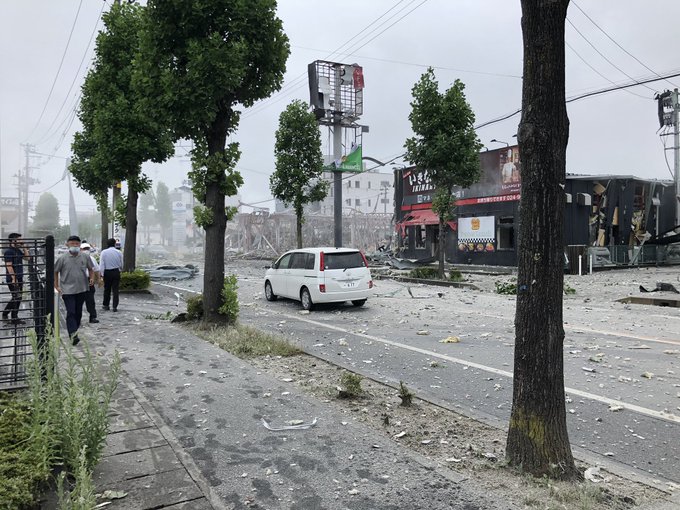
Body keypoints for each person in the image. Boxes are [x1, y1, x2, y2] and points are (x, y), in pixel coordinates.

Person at [54, 235, 94, 345]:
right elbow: (55, 272)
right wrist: (56, 285)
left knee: (78, 312)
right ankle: (73, 334)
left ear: (80, 245)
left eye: (77, 244)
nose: (75, 246)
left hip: (82, 289)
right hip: (67, 290)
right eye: (72, 244)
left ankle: (74, 329)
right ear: (67, 244)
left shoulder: (85, 257)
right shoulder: (62, 258)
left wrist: (92, 278)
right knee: (71, 312)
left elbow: (91, 269)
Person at [3, 233, 29, 325]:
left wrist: (24, 247)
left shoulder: (17, 250)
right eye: (19, 239)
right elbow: (9, 266)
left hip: (19, 277)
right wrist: (14, 278)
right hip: (13, 278)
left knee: (17, 297)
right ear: (13, 241)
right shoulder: (9, 251)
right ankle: (14, 318)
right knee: (17, 298)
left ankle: (5, 312)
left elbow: (27, 258)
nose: (21, 241)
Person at [99, 237, 123, 312]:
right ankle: (115, 306)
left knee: (107, 289)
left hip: (107, 272)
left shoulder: (104, 252)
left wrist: (101, 274)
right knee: (115, 290)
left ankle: (106, 305)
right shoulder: (119, 252)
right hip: (116, 272)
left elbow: (102, 264)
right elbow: (121, 263)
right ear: (114, 244)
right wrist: (120, 270)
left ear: (107, 244)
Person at [80, 243, 100, 324]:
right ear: (80, 249)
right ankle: (77, 318)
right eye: (84, 249)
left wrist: (99, 279)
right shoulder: (76, 259)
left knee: (90, 300)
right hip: (78, 281)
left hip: (89, 280)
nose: (86, 251)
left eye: (87, 249)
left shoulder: (92, 259)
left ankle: (92, 316)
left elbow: (96, 270)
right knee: (78, 300)